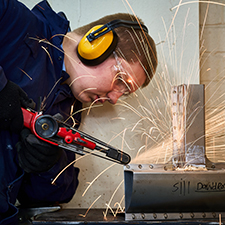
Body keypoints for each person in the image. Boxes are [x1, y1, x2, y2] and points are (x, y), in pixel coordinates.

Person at [0, 0, 157, 224]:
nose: (114, 98)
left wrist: (47, 163)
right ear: (96, 45)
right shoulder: (16, 23)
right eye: (120, 80)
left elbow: (48, 198)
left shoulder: (68, 111)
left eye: (125, 93)